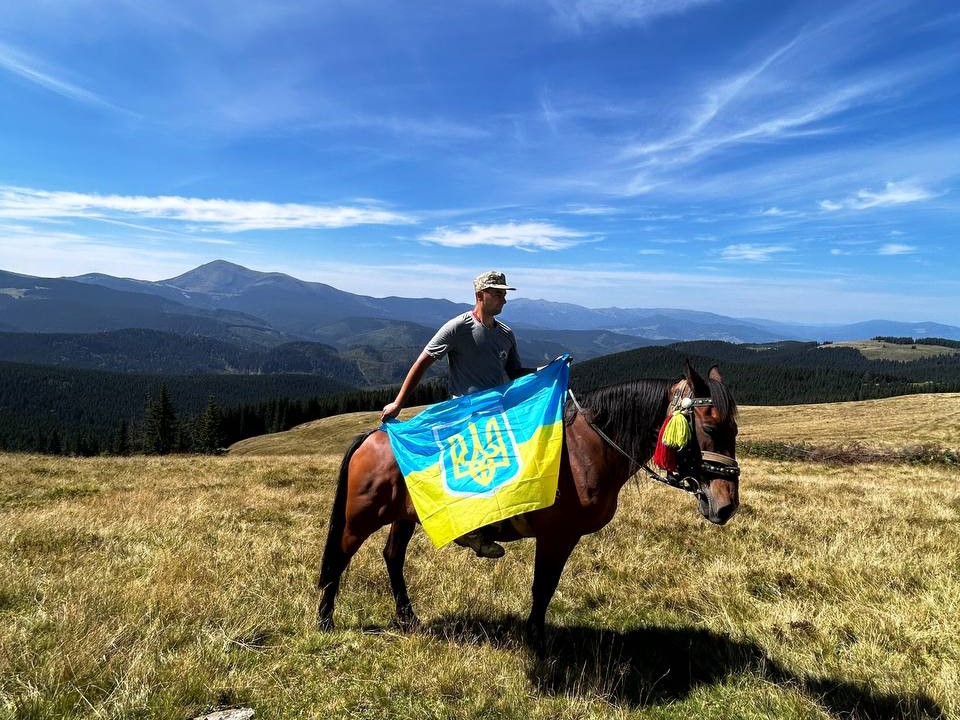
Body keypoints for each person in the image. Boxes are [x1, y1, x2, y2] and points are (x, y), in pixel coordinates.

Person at [380, 270, 536, 558]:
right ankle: (468, 530)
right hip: (463, 412)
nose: (504, 299)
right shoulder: (458, 327)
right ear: (480, 295)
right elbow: (423, 362)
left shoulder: (505, 334)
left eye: (504, 293)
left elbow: (514, 372)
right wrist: (399, 403)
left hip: (496, 412)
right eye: (498, 293)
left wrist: (543, 371)